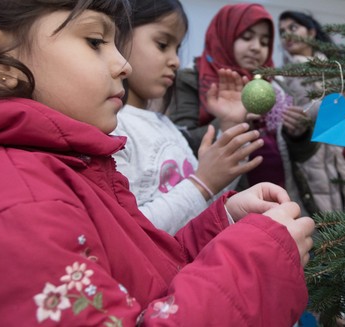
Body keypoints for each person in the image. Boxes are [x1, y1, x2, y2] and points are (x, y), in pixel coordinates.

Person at [0, 0, 316, 325]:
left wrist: (222, 225)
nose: (123, 64)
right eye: (95, 41)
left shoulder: (67, 167)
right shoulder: (13, 208)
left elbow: (138, 268)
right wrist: (258, 261)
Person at [112, 0, 263, 235]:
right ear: (116, 36)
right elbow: (130, 232)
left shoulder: (165, 125)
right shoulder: (114, 128)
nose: (176, 60)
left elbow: (206, 203)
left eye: (177, 48)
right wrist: (202, 183)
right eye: (162, 44)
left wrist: (231, 123)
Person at [168, 3, 320, 216]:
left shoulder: (276, 85)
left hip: (284, 202)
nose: (257, 47)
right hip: (230, 211)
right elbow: (179, 143)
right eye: (247, 37)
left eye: (264, 41)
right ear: (225, 35)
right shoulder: (193, 79)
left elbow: (300, 156)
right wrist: (230, 122)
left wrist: (298, 134)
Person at [278, 10, 345, 212]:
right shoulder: (283, 76)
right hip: (310, 160)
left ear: (310, 32)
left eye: (293, 28)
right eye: (282, 32)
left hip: (342, 158)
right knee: (322, 227)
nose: (287, 36)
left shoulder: (334, 70)